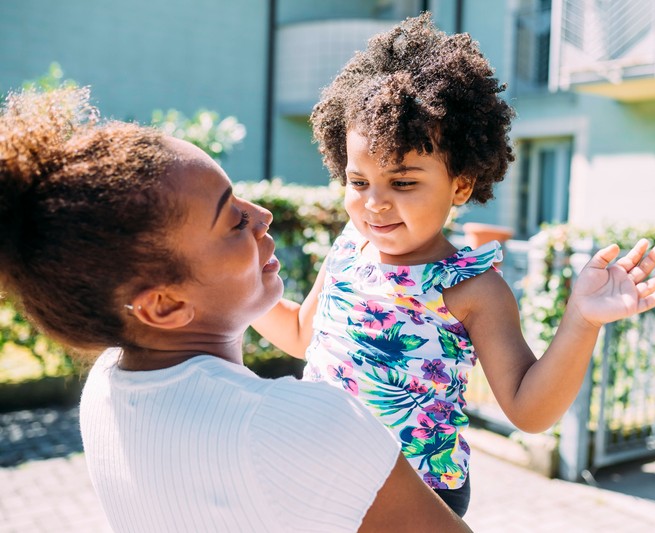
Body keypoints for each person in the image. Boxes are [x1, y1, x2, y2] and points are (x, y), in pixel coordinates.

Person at [252, 13, 655, 517]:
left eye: (403, 182)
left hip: (419, 496)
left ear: (461, 185)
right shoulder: (348, 247)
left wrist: (581, 320)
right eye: (359, 182)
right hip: (323, 478)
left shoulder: (474, 288)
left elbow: (528, 410)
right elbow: (302, 335)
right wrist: (236, 289)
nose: (375, 203)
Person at [0, 87, 472, 532]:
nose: (262, 216)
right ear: (164, 305)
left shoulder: (105, 389)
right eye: (232, 219)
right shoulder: (304, 426)